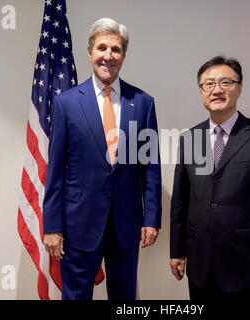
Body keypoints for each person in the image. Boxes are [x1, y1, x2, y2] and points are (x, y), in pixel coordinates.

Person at [42, 17, 162, 300]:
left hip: (126, 223)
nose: (108, 56)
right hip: (77, 223)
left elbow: (151, 167)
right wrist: (52, 226)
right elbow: (55, 171)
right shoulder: (66, 103)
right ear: (90, 52)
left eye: (116, 49)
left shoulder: (143, 103)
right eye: (102, 48)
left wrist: (152, 217)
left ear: (123, 55)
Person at [170, 56, 250, 300]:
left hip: (244, 264)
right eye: (209, 84)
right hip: (200, 262)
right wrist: (177, 251)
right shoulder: (189, 139)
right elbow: (180, 203)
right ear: (201, 91)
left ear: (239, 88)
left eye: (226, 83)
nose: (217, 90)